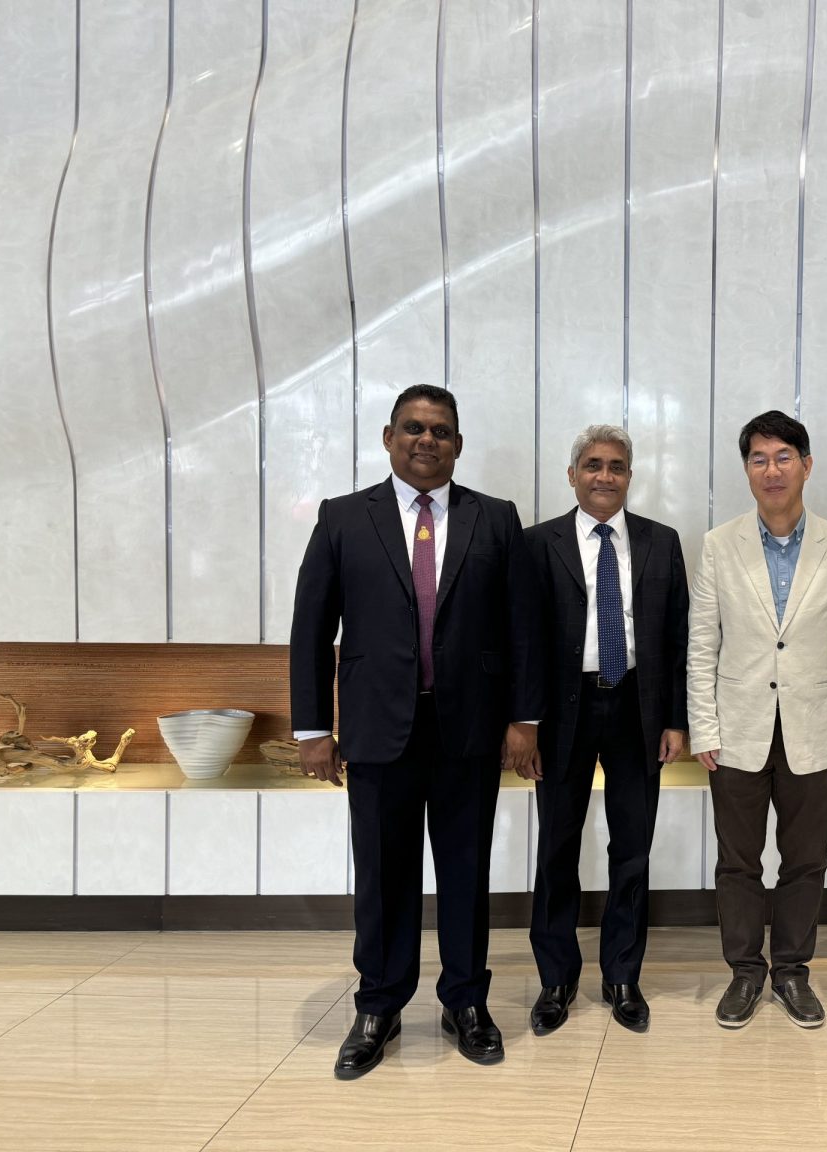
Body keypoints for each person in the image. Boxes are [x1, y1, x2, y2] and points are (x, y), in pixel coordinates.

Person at [289, 384, 544, 1079]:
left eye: (440, 431)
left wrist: (524, 719)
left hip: (470, 728)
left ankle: (466, 1001)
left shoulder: (495, 519)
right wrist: (312, 728)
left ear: (458, 444)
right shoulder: (344, 518)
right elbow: (312, 628)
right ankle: (379, 1004)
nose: (426, 440)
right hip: (377, 727)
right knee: (383, 873)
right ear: (388, 437)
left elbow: (522, 628)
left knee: (465, 872)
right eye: (413, 428)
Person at [688, 410, 827, 1029]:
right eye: (759, 459)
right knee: (738, 862)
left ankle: (792, 970)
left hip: (812, 728)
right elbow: (702, 644)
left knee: (805, 861)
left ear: (806, 466)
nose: (772, 470)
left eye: (784, 457)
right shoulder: (719, 544)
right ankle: (744, 971)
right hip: (736, 728)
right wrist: (704, 726)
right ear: (747, 471)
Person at [519, 425, 689, 1036]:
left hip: (638, 708)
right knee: (556, 847)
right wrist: (525, 723)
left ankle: (622, 975)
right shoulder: (537, 543)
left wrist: (677, 720)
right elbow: (523, 640)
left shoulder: (661, 542)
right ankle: (556, 978)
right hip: (562, 712)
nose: (604, 476)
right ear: (572, 475)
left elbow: (678, 636)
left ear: (630, 477)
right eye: (592, 465)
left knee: (632, 849)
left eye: (616, 466)